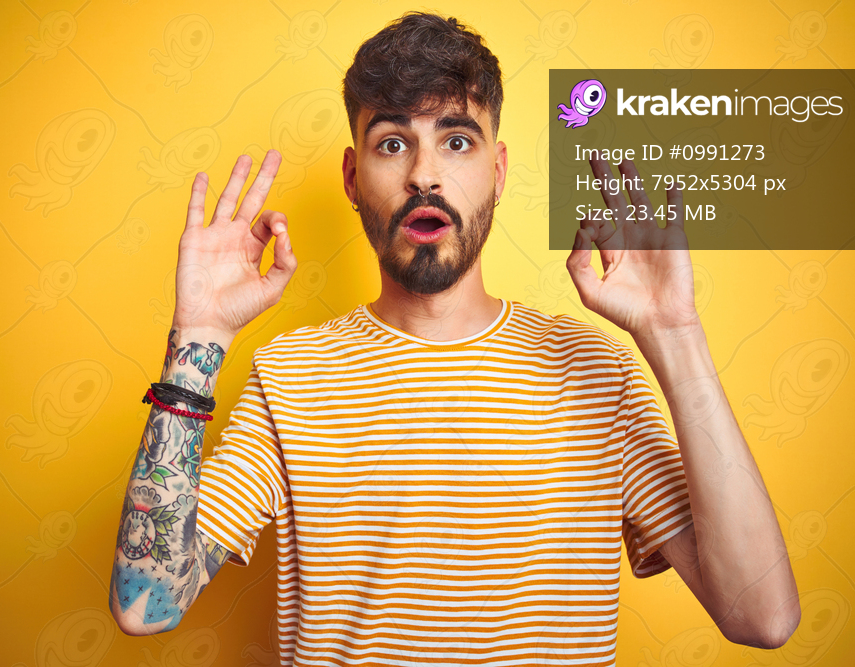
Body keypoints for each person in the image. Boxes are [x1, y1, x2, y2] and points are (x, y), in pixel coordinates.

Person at [108, 11, 800, 664]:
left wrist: (676, 335)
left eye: (457, 140)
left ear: (496, 172)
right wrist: (196, 340)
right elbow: (147, 606)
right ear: (353, 177)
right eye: (392, 142)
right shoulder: (290, 374)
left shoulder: (597, 373)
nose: (425, 174)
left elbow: (761, 617)